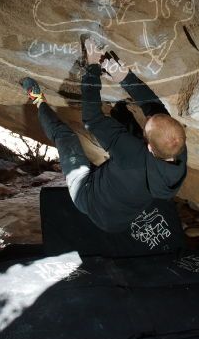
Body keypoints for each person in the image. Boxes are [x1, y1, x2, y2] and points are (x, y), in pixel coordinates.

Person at [21, 38, 187, 233]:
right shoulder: (177, 151)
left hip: (88, 197)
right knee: (123, 119)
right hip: (119, 218)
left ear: (149, 147)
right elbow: (155, 108)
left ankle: (38, 100)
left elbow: (91, 118)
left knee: (66, 137)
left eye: (147, 125)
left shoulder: (132, 154)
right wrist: (125, 77)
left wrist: (92, 67)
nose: (148, 116)